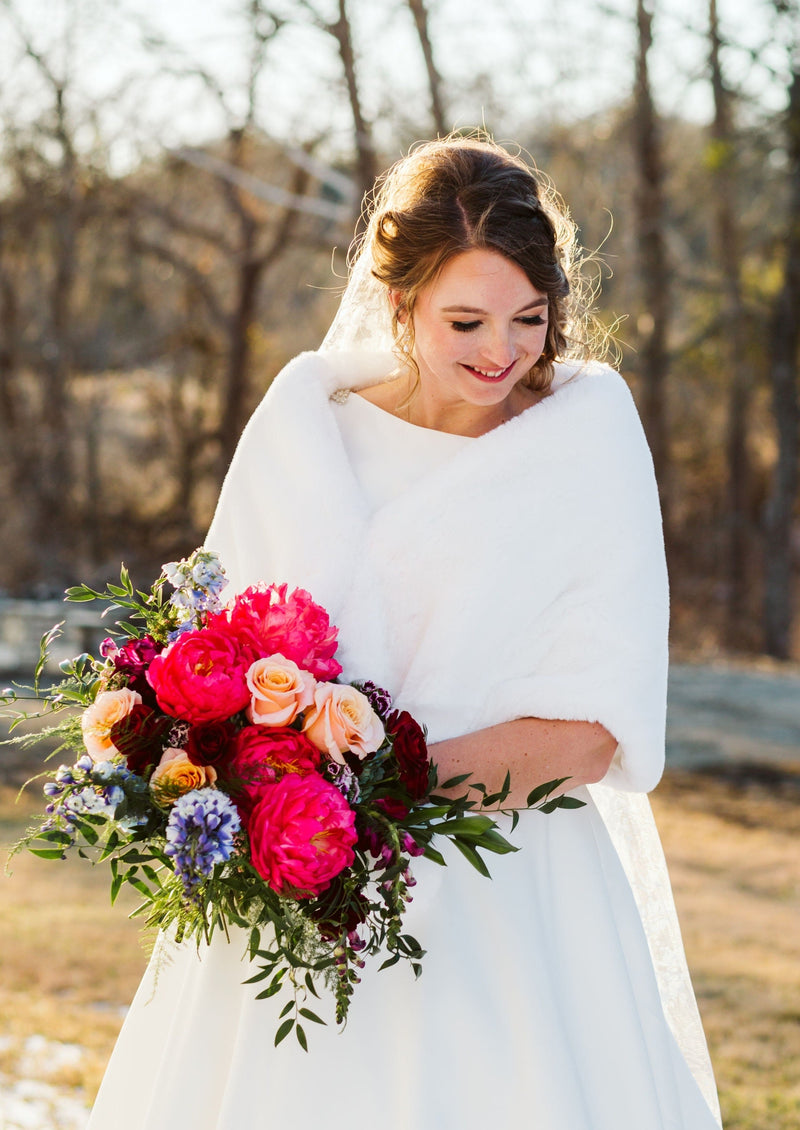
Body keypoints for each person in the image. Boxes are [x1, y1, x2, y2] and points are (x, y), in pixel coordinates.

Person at [87, 136, 722, 1129]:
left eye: (527, 318)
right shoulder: (305, 424)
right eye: (464, 319)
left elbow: (594, 728)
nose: (499, 351)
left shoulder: (584, 436)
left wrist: (366, 800)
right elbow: (212, 657)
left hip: (505, 894)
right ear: (399, 302)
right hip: (295, 896)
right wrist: (235, 778)